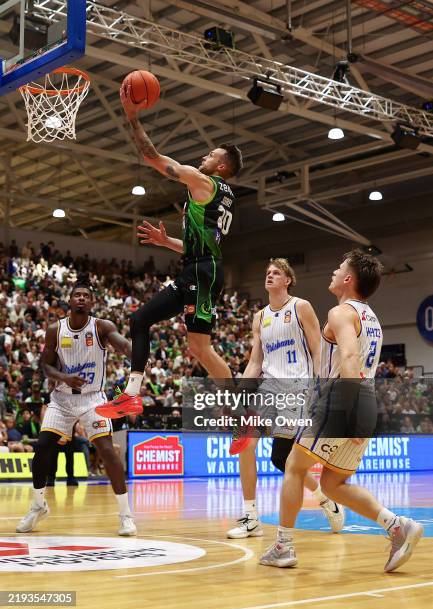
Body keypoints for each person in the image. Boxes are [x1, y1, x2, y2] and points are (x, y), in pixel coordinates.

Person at [260, 249, 423, 571]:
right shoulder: (371, 317)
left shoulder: (341, 313)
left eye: (338, 268)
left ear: (348, 279)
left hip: (341, 400)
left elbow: (349, 357)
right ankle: (396, 525)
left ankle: (283, 546)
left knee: (293, 465)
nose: (333, 273)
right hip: (366, 402)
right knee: (334, 484)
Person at [96, 83, 243, 418]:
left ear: (222, 167)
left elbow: (153, 157)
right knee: (198, 348)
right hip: (204, 267)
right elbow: (205, 245)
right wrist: (168, 243)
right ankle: (241, 416)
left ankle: (133, 393)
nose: (205, 156)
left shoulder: (203, 182)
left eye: (212, 155)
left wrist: (132, 118)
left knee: (142, 320)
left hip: (202, 271)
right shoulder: (223, 195)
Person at [226, 259, 344, 538]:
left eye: (276, 273)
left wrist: (319, 387)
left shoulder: (300, 307)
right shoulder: (260, 317)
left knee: (281, 460)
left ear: (287, 280)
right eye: (267, 272)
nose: (269, 276)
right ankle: (250, 516)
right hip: (268, 387)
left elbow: (318, 350)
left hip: (297, 387)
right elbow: (255, 362)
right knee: (243, 441)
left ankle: (326, 499)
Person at [16, 275, 137, 537]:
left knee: (107, 450)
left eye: (86, 295)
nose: (81, 298)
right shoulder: (55, 330)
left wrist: (135, 352)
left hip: (92, 399)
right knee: (42, 448)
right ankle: (38, 506)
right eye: (77, 294)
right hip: (61, 398)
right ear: (69, 300)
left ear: (92, 302)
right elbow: (45, 366)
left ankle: (125, 515)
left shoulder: (102, 327)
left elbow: (123, 344)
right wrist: (63, 377)